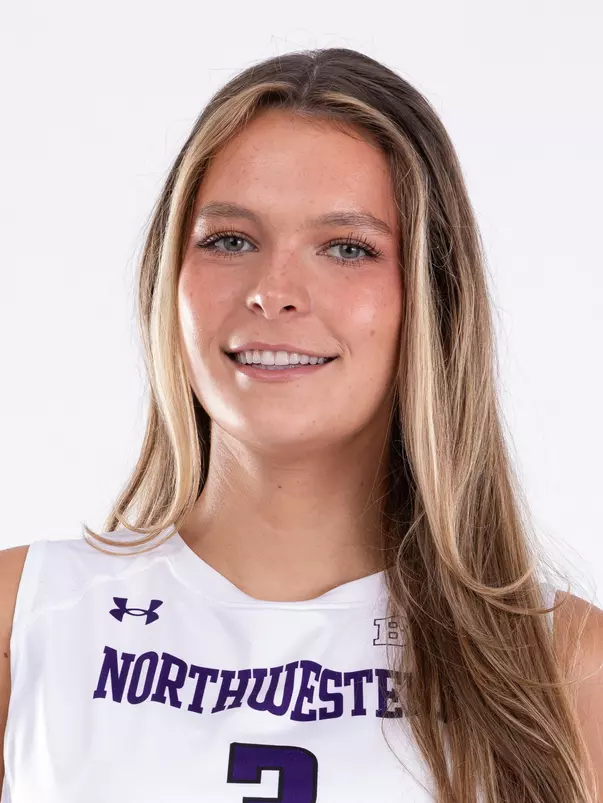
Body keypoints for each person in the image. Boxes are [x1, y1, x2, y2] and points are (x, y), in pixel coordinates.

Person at [0, 47, 601, 803]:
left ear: (432, 297)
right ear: (169, 280)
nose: (273, 291)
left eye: (346, 248)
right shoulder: (26, 618)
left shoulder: (566, 667)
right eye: (230, 240)